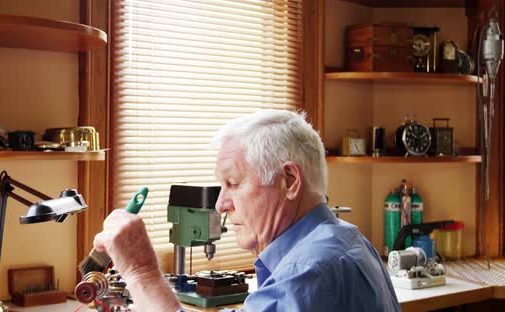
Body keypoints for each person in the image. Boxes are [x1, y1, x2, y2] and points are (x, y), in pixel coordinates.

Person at [94, 109, 400, 311]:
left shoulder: (306, 271)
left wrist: (141, 272)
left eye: (234, 183)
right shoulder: (350, 240)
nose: (220, 204)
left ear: (289, 181)